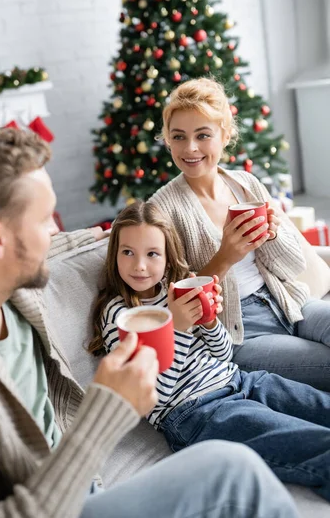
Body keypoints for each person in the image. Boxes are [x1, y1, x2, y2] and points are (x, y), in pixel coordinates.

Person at [0, 125, 299, 518]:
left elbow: (65, 244)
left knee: (236, 466)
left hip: (81, 485)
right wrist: (107, 410)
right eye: (43, 220)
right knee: (233, 470)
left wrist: (110, 236)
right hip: (55, 505)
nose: (56, 229)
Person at [92, 200, 330, 502]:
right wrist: (177, 328)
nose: (140, 265)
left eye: (152, 254)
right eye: (128, 252)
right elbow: (153, 399)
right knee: (318, 446)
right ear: (115, 255)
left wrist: (207, 322)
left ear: (167, 258)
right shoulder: (118, 316)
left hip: (242, 381)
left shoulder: (176, 289)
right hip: (197, 412)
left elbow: (223, 354)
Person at [149, 77, 330, 392]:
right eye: (178, 137)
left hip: (286, 302)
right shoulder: (162, 210)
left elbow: (290, 268)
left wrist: (272, 236)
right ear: (167, 140)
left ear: (225, 135)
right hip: (238, 333)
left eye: (202, 135)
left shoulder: (245, 184)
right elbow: (176, 308)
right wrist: (225, 257)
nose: (189, 148)